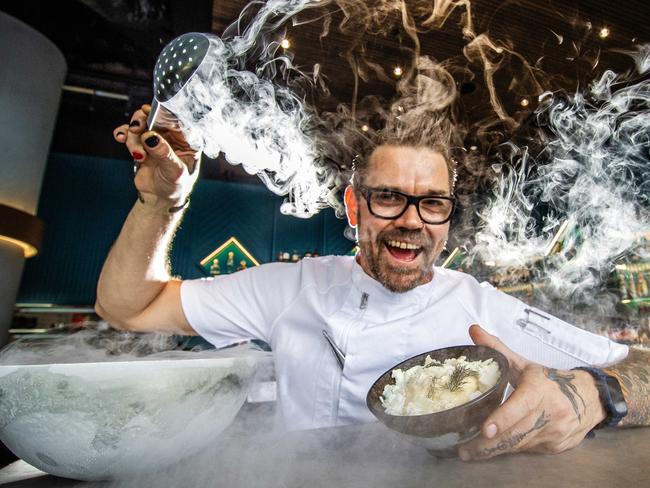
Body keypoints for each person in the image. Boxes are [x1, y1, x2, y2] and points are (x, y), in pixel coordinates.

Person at [97, 104, 650, 462]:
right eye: (388, 198)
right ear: (354, 207)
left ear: (447, 221)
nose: (411, 220)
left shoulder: (483, 306)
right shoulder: (290, 287)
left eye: (431, 204)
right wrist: (160, 202)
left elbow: (640, 365)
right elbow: (129, 308)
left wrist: (600, 396)